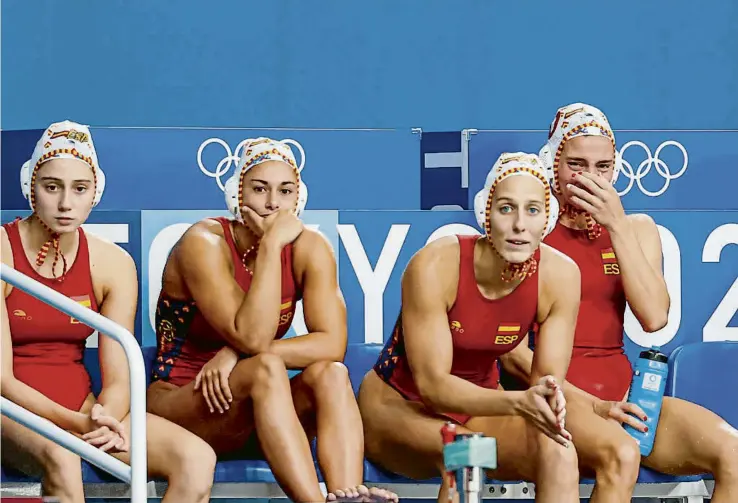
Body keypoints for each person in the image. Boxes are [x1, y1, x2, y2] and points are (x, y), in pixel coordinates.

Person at [499, 103, 738, 503]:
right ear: (552, 164)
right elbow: (512, 355)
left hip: (627, 397)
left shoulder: (636, 229)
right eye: (576, 164)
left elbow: (655, 317)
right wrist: (594, 406)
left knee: (732, 452)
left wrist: (617, 226)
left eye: (603, 166)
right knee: (619, 454)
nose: (590, 178)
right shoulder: (527, 229)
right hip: (558, 398)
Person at [146, 137, 398, 503]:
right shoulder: (203, 243)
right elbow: (250, 336)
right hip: (185, 403)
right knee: (264, 368)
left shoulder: (310, 248)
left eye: (285, 191)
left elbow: (332, 344)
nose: (272, 203)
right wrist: (271, 248)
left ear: (299, 199)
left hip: (262, 409)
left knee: (331, 374)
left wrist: (233, 355)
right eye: (259, 189)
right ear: (236, 195)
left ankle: (347, 496)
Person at [0, 121, 216, 503]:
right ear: (30, 188)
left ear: (94, 193)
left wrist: (105, 419)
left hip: (83, 408)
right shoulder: (2, 250)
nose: (66, 203)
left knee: (196, 459)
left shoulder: (112, 263)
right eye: (52, 187)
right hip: (9, 410)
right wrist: (75, 425)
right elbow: (3, 380)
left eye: (79, 189)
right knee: (63, 455)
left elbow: (119, 377)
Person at [358, 152, 583, 503]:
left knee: (559, 450)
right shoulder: (435, 264)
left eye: (533, 210)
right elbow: (432, 387)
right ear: (486, 215)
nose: (520, 224)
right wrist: (517, 402)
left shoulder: (562, 275)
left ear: (547, 220)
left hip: (480, 410)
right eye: (507, 208)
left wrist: (547, 397)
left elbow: (544, 385)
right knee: (468, 456)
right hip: (399, 406)